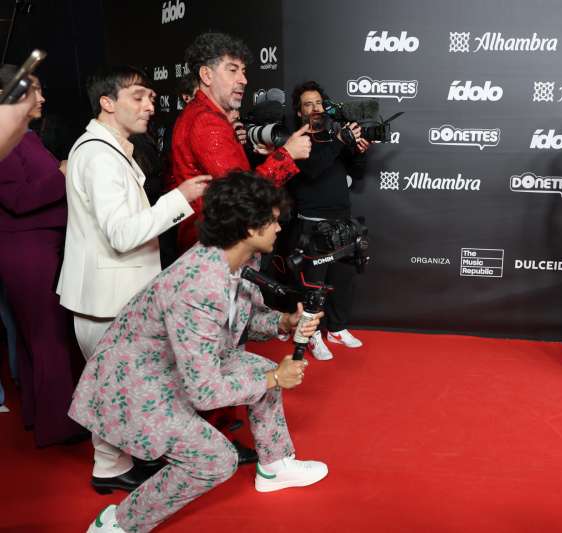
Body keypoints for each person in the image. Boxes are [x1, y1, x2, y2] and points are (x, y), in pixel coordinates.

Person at [78, 172, 328, 533]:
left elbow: (237, 322)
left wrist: (285, 323)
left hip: (172, 366)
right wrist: (274, 378)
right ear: (248, 229)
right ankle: (117, 523)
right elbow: (204, 392)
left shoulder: (234, 260)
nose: (279, 227)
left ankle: (275, 466)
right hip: (133, 385)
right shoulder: (200, 283)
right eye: (272, 220)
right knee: (215, 459)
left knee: (259, 369)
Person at [57, 65, 210, 492]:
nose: (150, 105)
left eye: (152, 98)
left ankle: (112, 466)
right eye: (139, 96)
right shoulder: (99, 155)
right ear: (107, 102)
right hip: (108, 300)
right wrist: (180, 198)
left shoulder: (107, 149)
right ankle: (115, 466)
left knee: (113, 387)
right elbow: (123, 235)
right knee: (124, 388)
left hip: (110, 296)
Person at [0, 66, 84, 444]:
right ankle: (58, 425)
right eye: (35, 90)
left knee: (37, 336)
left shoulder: (24, 137)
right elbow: (16, 199)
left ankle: (40, 416)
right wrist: (63, 173)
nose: (43, 98)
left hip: (36, 244)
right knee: (47, 336)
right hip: (26, 248)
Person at [170, 32, 311, 253]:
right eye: (232, 70)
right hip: (215, 248)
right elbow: (244, 196)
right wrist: (287, 155)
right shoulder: (206, 121)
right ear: (206, 75)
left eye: (243, 71)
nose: (244, 80)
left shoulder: (202, 114)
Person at [286, 80, 371, 361]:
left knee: (342, 280)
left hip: (342, 221)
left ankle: (337, 328)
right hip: (312, 223)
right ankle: (311, 336)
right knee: (314, 287)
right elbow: (312, 169)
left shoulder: (335, 137)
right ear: (299, 112)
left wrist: (358, 152)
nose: (314, 108)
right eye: (307, 104)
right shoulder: (296, 140)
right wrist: (338, 142)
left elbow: (356, 174)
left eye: (318, 103)